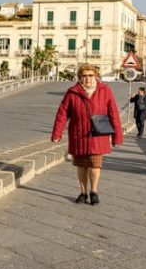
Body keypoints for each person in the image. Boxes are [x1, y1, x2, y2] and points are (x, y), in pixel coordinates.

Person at [51, 63, 124, 205]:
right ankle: (83, 192)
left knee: (95, 165)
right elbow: (62, 114)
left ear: (95, 76)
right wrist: (57, 133)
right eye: (84, 76)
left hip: (98, 135)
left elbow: (113, 113)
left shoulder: (105, 90)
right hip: (78, 135)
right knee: (81, 165)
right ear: (79, 77)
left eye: (91, 75)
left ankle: (94, 191)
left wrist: (117, 136)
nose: (88, 79)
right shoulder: (72, 92)